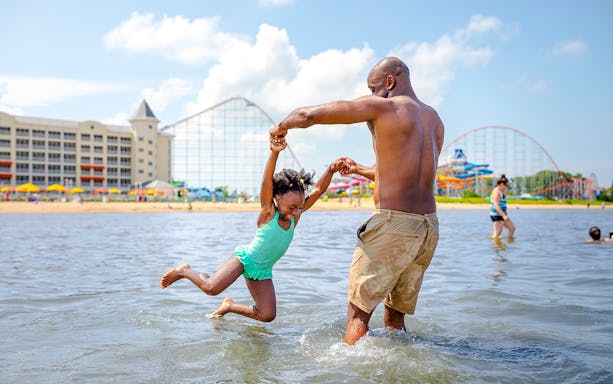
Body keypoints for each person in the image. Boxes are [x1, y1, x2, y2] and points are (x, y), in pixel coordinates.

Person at [270, 57, 444, 345]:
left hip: (393, 224)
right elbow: (407, 172)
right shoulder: (435, 119)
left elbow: (309, 116)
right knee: (395, 316)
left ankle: (349, 369)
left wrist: (281, 126)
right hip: (427, 228)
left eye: (373, 88)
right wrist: (360, 169)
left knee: (358, 316)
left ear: (390, 82)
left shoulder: (385, 106)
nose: (372, 95)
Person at [160, 135, 341, 322]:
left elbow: (318, 190)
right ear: (277, 198)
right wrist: (275, 153)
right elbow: (266, 182)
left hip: (263, 270)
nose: (295, 212)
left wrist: (331, 169)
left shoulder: (296, 215)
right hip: (245, 260)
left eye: (300, 207)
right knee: (211, 288)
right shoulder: (268, 213)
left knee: (267, 315)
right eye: (292, 207)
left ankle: (229, 306)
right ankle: (184, 271)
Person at [489, 174, 515, 239]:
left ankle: (509, 243)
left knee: (512, 228)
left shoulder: (501, 191)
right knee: (497, 233)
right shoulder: (496, 192)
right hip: (497, 215)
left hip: (502, 214)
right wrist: (504, 216)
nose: (506, 187)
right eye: (506, 185)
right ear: (501, 184)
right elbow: (496, 205)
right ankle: (496, 247)